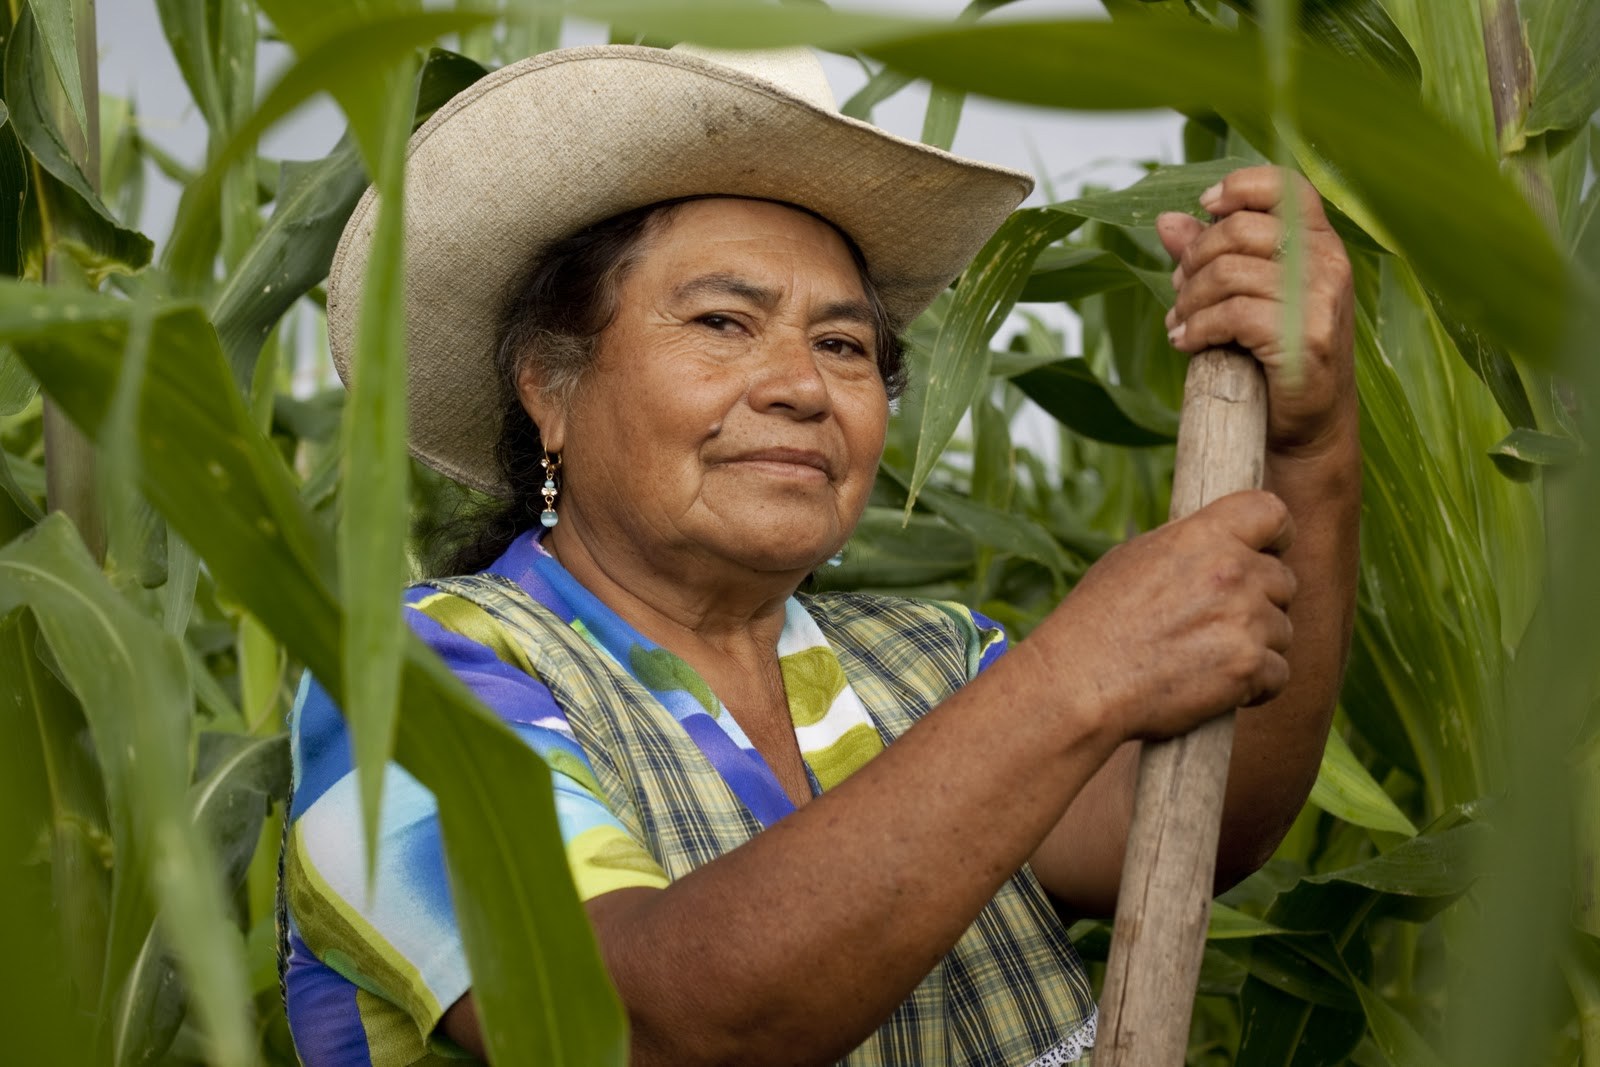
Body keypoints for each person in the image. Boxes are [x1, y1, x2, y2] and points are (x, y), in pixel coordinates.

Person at [281, 42, 1358, 1067]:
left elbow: (1186, 828)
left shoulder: (929, 662)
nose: (801, 384)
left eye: (843, 345)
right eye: (719, 323)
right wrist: (1079, 673)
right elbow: (648, 1023)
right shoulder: (402, 690)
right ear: (548, 388)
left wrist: (1308, 448)